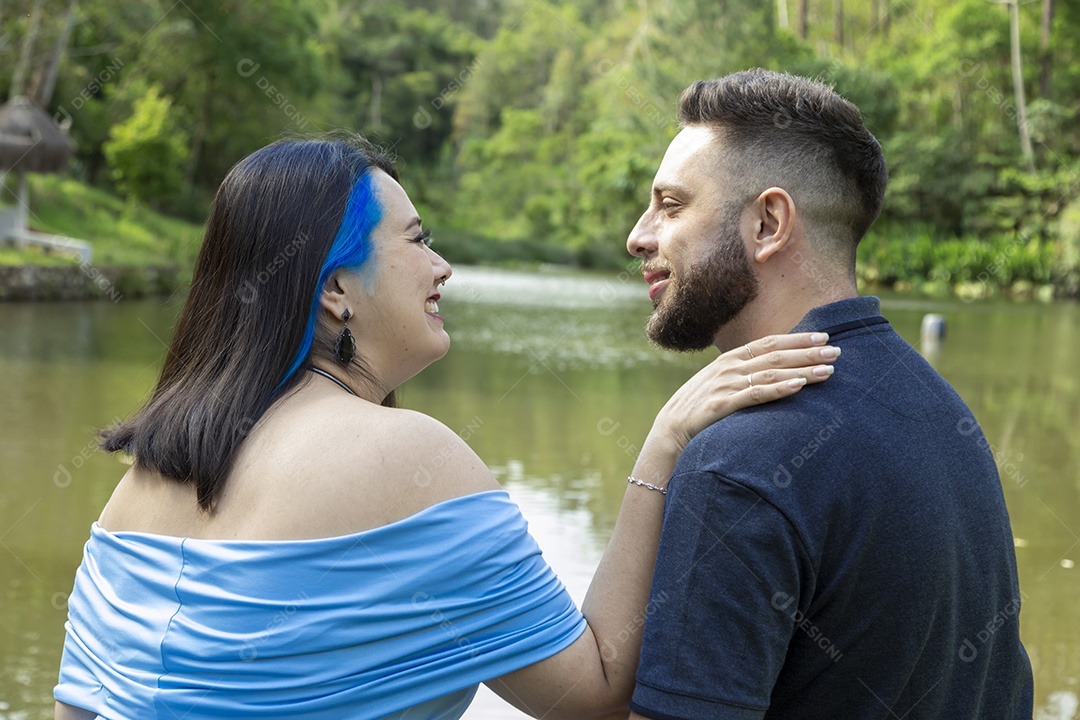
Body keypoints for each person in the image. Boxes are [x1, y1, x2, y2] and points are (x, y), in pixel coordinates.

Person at [53, 134, 840, 720]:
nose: (443, 268)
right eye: (419, 241)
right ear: (336, 291)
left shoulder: (142, 484)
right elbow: (595, 693)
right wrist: (664, 444)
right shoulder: (406, 458)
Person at [624, 69, 1034, 720]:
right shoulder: (945, 412)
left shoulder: (737, 463)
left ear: (767, 223)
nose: (638, 236)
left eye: (671, 205)